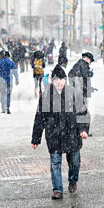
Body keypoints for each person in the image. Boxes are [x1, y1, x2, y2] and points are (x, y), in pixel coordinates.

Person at [31, 64, 90, 200]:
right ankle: (57, 189)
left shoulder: (73, 93)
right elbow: (40, 117)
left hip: (72, 134)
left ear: (65, 80)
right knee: (55, 163)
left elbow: (83, 112)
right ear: (52, 80)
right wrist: (36, 138)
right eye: (56, 79)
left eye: (61, 79)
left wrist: (83, 129)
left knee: (74, 162)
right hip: (54, 136)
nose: (59, 82)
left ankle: (73, 180)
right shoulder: (46, 95)